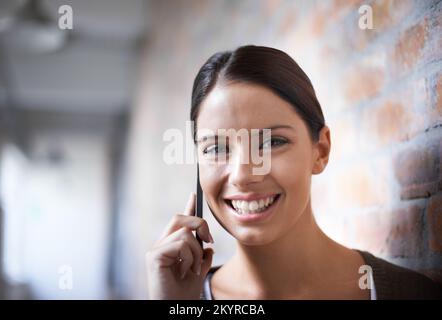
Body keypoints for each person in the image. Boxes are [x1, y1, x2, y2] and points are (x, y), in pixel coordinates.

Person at [145, 45, 442, 300]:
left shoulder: (410, 293)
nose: (243, 174)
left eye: (273, 142)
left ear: (321, 150)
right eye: (216, 148)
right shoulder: (182, 298)